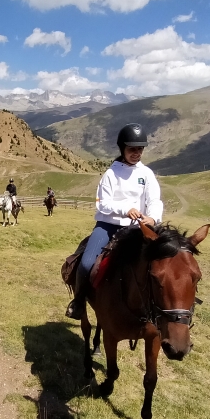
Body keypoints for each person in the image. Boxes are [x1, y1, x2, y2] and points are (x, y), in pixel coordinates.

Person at [65, 123, 163, 320]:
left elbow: (155, 200)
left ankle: (160, 308)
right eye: (132, 149)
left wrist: (152, 216)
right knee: (86, 263)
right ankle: (79, 301)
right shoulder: (111, 174)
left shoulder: (147, 174)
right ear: (122, 149)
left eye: (140, 149)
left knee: (163, 263)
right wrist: (125, 210)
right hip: (108, 226)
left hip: (138, 228)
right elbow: (103, 204)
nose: (136, 153)